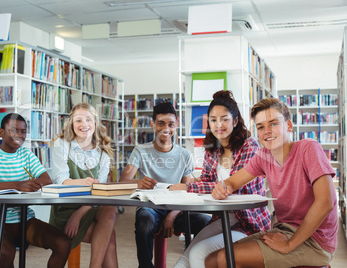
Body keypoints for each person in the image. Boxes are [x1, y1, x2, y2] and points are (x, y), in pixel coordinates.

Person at [208, 98, 338, 268]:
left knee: (226, 258)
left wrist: (289, 245)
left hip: (315, 241)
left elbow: (325, 202)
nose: (267, 131)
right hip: (283, 230)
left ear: (289, 126)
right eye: (261, 127)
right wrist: (224, 187)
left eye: (273, 124)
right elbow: (233, 181)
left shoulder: (308, 148)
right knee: (211, 261)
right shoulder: (264, 156)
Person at [171, 90, 271, 268]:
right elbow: (208, 180)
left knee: (198, 252)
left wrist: (189, 188)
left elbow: (231, 186)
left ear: (236, 120)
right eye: (213, 120)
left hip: (248, 222)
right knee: (187, 255)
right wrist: (194, 182)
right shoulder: (212, 149)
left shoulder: (250, 145)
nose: (219, 125)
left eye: (224, 119)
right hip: (222, 218)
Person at [0, 113, 71, 268]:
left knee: (63, 243)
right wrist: (16, 185)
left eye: (23, 131)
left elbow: (46, 180)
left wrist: (26, 184)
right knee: (5, 252)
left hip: (25, 219)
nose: (19, 135)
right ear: (1, 133)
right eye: (13, 130)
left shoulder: (27, 155)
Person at [119, 101, 211, 268]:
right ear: (153, 124)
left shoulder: (184, 154)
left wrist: (172, 215)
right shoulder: (140, 151)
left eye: (171, 124)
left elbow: (189, 191)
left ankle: (191, 262)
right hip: (150, 208)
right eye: (161, 123)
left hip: (176, 210)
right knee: (144, 218)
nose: (166, 129)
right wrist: (138, 182)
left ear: (176, 125)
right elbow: (122, 182)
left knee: (205, 221)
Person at [49, 103, 118, 268]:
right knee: (110, 237)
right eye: (78, 120)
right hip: (64, 210)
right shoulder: (61, 144)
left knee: (109, 208)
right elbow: (60, 179)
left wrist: (79, 214)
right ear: (72, 124)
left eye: (88, 119)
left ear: (95, 123)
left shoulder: (104, 153)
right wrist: (82, 182)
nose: (84, 124)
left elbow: (99, 193)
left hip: (88, 209)